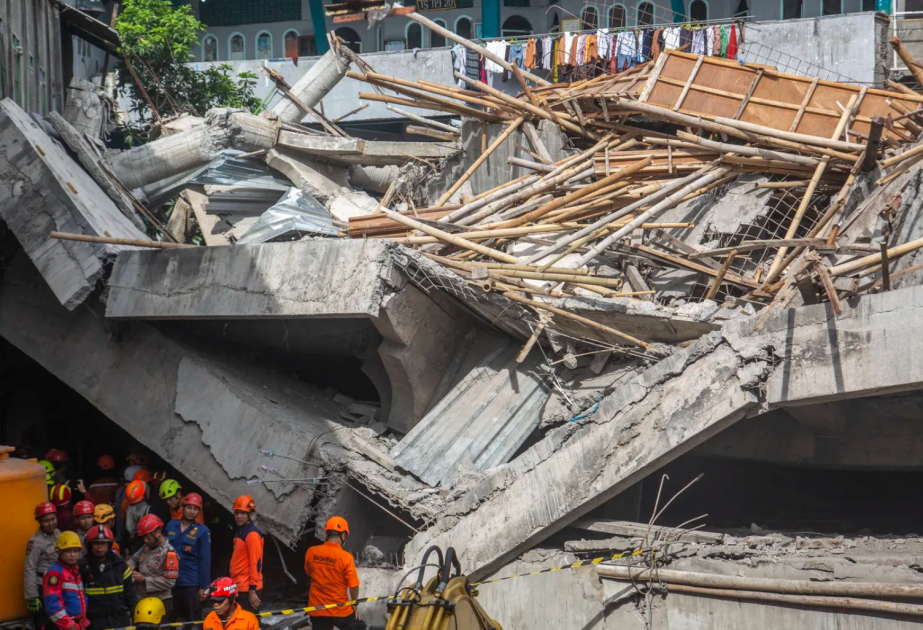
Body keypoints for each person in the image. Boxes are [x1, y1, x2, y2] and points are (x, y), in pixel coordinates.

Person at [303, 517, 365, 630]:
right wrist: (354, 604)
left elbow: (309, 572)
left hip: (317, 610)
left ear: (327, 534)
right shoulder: (346, 557)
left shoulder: (312, 552)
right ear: (343, 536)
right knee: (359, 627)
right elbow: (353, 587)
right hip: (340, 610)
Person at [78, 525, 137, 630]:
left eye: (103, 543)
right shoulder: (82, 566)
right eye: (96, 543)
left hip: (119, 621)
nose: (100, 547)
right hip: (93, 623)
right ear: (89, 545)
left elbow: (130, 593)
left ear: (109, 544)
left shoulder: (120, 564)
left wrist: (135, 618)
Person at [164, 493, 210, 622]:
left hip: (191, 583)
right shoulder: (171, 525)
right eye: (189, 507)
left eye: (195, 509)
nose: (191, 511)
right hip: (170, 582)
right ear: (183, 507)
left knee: (193, 620)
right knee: (169, 619)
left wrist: (204, 587)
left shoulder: (203, 531)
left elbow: (205, 560)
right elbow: (162, 551)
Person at [128, 515, 179, 620]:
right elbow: (133, 559)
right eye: (143, 537)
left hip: (161, 602)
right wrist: (130, 565)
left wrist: (144, 580)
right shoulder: (146, 547)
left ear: (158, 532)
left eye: (147, 536)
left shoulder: (169, 553)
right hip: (142, 599)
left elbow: (170, 582)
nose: (145, 540)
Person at [25, 502, 61, 630]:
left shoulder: (58, 534)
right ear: (39, 521)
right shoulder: (35, 542)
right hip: (43, 586)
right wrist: (33, 596)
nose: (51, 523)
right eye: (46, 521)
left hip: (60, 584)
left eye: (53, 519)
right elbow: (30, 568)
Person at [42, 532, 89, 630]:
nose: (72, 555)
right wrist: (69, 626)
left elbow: (80, 598)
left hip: (77, 624)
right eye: (68, 551)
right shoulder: (54, 573)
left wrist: (83, 622)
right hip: (63, 626)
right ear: (59, 551)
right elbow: (53, 605)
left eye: (75, 551)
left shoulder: (75, 570)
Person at [229, 496, 262, 613]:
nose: (239, 516)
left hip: (248, 588)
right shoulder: (240, 531)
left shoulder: (252, 535)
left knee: (250, 620)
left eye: (243, 513)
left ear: (250, 514)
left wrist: (252, 591)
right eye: (237, 513)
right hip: (239, 585)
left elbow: (255, 564)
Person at [125, 480, 150, 554]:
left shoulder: (128, 509)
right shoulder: (147, 508)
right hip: (143, 544)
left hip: (132, 544)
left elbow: (126, 530)